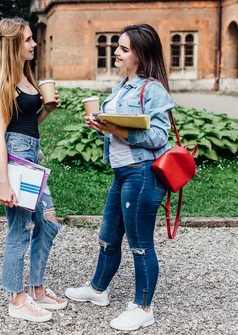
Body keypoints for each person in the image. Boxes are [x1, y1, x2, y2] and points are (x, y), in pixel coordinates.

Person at [64, 23, 175, 331]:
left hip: (142, 174)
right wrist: (101, 124)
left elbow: (157, 136)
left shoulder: (152, 89)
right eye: (118, 46)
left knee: (140, 244)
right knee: (108, 237)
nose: (116, 51)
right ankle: (98, 289)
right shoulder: (123, 85)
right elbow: (117, 127)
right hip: (123, 173)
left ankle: (143, 307)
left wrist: (115, 128)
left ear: (140, 54)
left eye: (124, 48)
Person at [0, 17, 66, 323]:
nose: (34, 44)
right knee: (19, 230)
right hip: (16, 161)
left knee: (48, 221)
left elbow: (27, 127)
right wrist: (3, 183)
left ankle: (36, 289)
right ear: (12, 45)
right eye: (28, 40)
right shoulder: (2, 84)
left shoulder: (26, 77)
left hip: (31, 155)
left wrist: (46, 109)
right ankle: (16, 299)